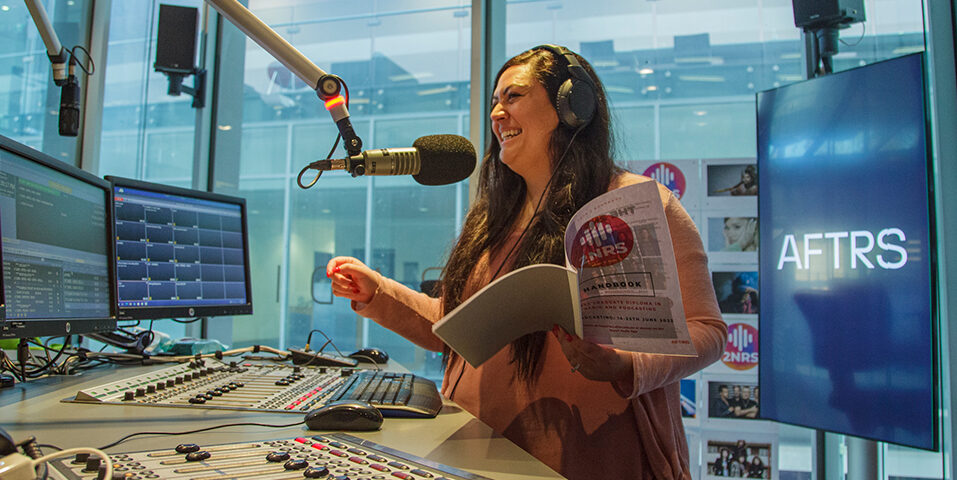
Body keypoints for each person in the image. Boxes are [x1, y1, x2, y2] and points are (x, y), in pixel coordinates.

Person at [326, 44, 726, 479]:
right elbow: (459, 331)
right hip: (476, 456)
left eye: (513, 97)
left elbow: (708, 331)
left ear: (573, 107)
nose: (497, 113)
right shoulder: (491, 218)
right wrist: (378, 290)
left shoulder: (638, 203)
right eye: (494, 101)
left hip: (597, 460)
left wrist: (627, 365)